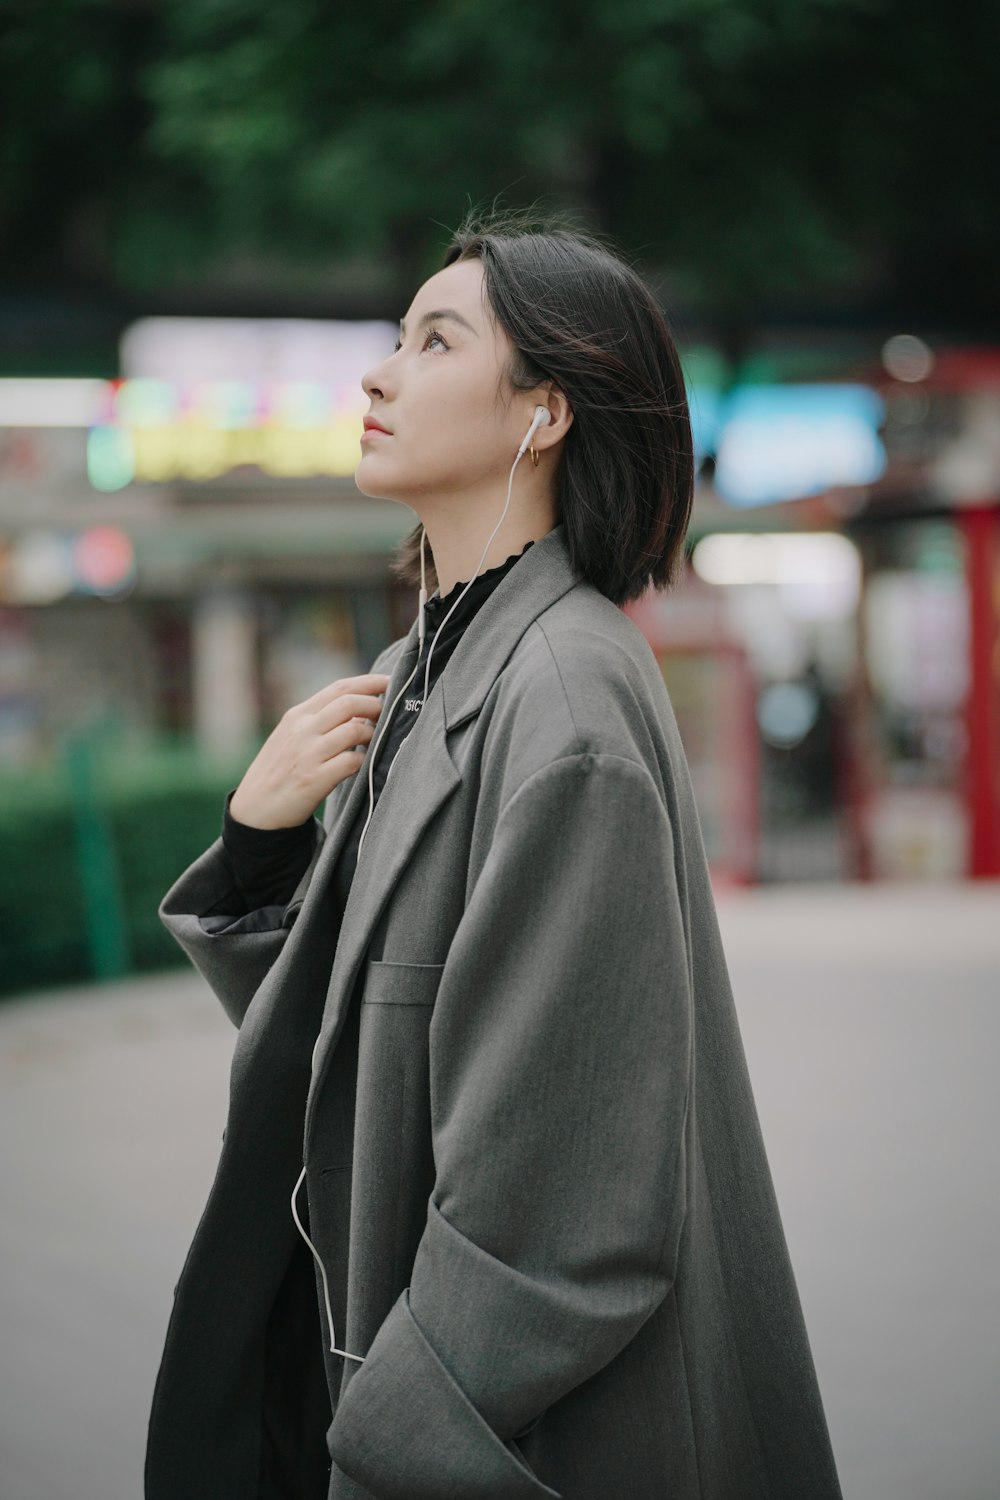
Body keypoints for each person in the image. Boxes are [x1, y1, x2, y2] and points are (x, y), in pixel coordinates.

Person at [145, 209, 843, 1500]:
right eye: (395, 337)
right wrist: (258, 846)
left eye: (434, 339)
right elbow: (370, 1055)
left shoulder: (563, 701)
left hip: (526, 1442)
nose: (377, 372)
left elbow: (559, 1218)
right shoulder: (422, 672)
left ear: (548, 409)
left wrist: (388, 1442)